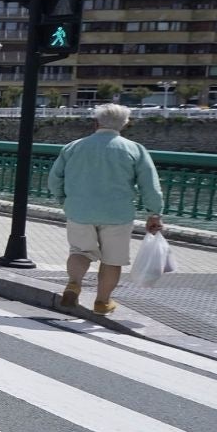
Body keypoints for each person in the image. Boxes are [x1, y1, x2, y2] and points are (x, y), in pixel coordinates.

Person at [47, 103, 166, 315]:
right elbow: (150, 184)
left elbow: (55, 179)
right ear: (124, 125)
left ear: (96, 123)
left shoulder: (74, 147)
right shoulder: (134, 149)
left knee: (80, 252)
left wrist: (64, 200)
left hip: (80, 210)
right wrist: (154, 213)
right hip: (117, 214)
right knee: (112, 260)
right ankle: (102, 302)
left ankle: (74, 284)